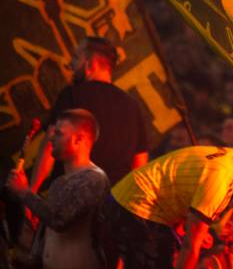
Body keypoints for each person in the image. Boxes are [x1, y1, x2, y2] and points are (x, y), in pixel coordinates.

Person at [6, 109, 110, 269]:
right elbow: (48, 236)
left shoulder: (94, 179)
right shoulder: (59, 183)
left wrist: (25, 193)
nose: (50, 139)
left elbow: (60, 219)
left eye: (59, 133)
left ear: (80, 139)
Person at [30, 36, 148, 191]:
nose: (70, 64)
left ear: (90, 64)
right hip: (113, 206)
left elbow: (49, 148)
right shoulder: (133, 106)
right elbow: (140, 166)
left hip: (70, 199)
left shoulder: (72, 95)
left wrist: (30, 193)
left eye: (76, 58)